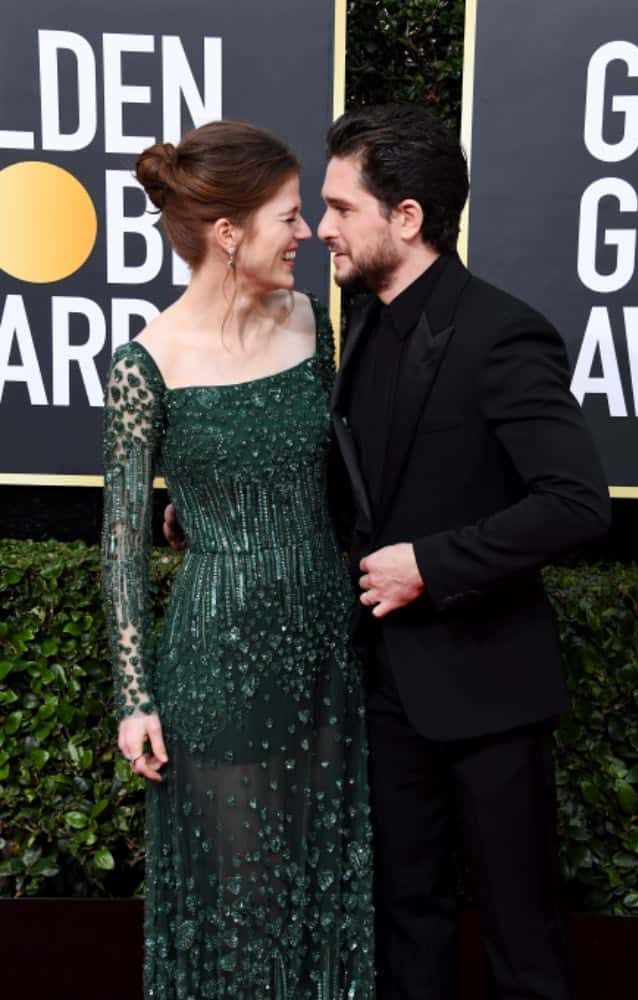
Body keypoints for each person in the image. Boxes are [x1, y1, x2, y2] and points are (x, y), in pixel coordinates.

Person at [316, 105, 611, 999]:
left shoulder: (502, 334)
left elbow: (576, 504)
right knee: (408, 921)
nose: (321, 227)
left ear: (406, 217)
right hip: (387, 687)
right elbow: (363, 487)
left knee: (522, 942)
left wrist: (432, 565)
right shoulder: (363, 321)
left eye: (339, 207)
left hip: (489, 690)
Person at [101, 120, 374, 999]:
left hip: (324, 638)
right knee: (242, 897)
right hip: (219, 650)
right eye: (288, 218)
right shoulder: (148, 364)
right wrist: (135, 698)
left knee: (324, 880)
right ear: (229, 233)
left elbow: (328, 469)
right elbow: (120, 543)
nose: (308, 234)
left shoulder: (310, 319)